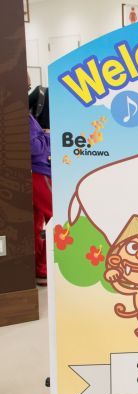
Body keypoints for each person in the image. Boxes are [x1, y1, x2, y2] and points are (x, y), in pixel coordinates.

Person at [28, 76, 52, 286]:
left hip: (34, 172)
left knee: (35, 223)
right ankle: (44, 268)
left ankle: (38, 267)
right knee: (60, 216)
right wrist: (48, 135)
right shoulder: (24, 116)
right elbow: (35, 148)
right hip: (39, 172)